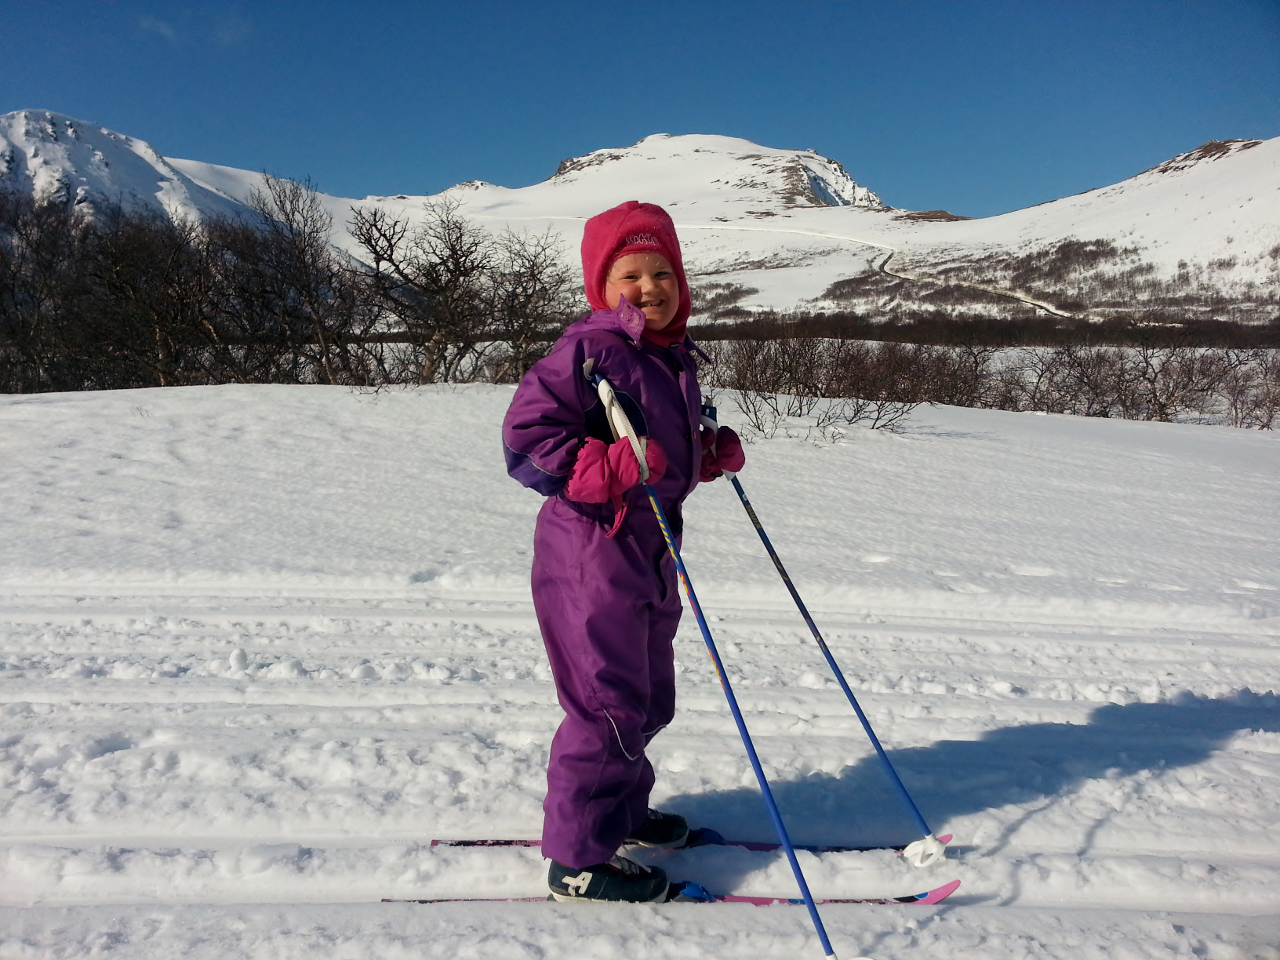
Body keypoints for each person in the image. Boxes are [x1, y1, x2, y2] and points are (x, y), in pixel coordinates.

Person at [502, 200, 744, 902]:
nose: (649, 287)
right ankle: (576, 859)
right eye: (630, 274)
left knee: (645, 698)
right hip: (591, 554)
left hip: (653, 550)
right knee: (607, 705)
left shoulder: (670, 356)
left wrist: (702, 457)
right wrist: (599, 470)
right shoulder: (590, 351)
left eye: (662, 271)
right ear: (602, 287)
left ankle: (622, 813)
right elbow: (526, 438)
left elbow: (649, 453)